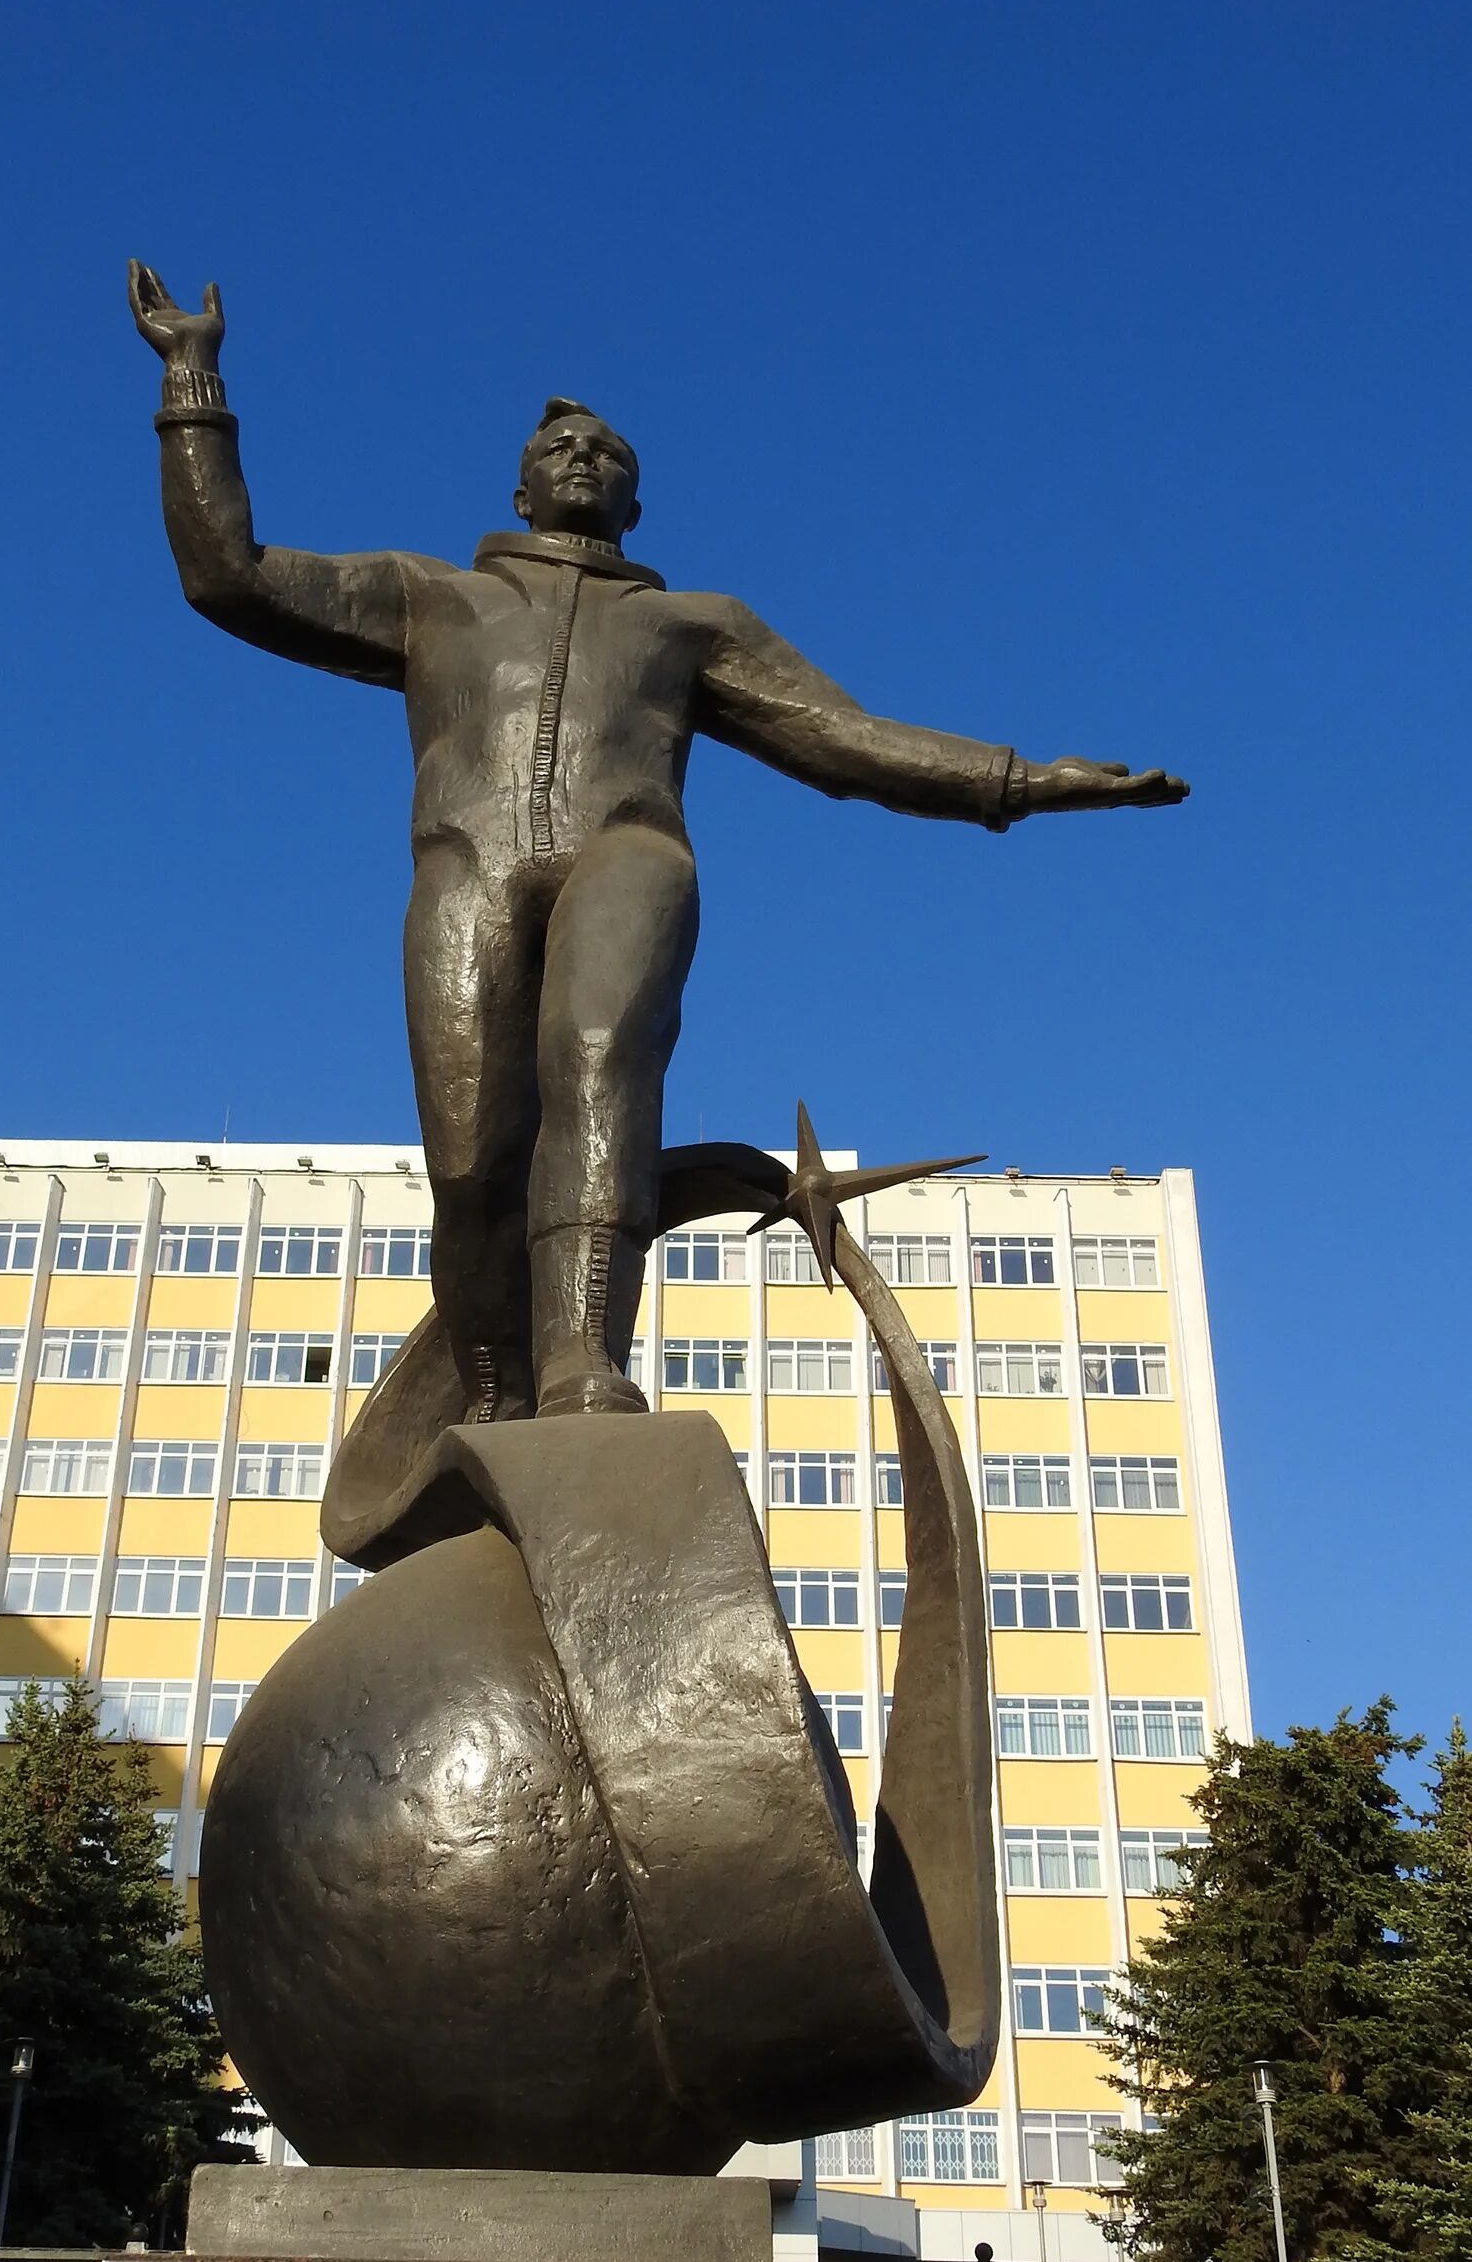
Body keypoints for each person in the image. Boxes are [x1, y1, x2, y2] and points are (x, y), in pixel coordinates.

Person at [130, 267, 1187, 1420]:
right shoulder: (424, 597)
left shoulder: (691, 626)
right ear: (520, 490)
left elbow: (845, 739)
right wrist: (194, 376)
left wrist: (1023, 782)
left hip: (627, 858)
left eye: (612, 453)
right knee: (472, 1165)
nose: (587, 456)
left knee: (598, 1068)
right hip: (466, 872)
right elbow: (226, 576)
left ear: (635, 507)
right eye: (564, 447)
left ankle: (585, 1354)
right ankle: (492, 1392)